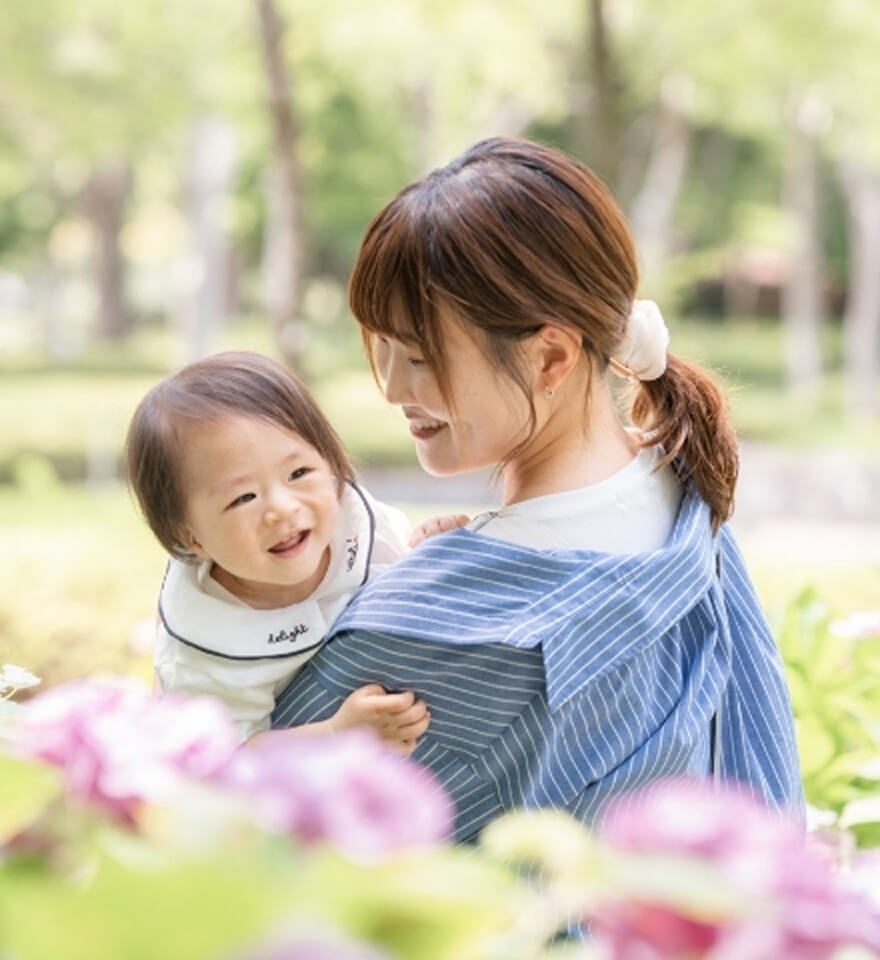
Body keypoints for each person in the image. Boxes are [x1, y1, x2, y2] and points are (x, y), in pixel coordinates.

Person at [271, 136, 803, 841]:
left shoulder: (435, 629)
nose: (395, 388)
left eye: (421, 355)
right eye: (382, 348)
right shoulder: (683, 502)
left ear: (551, 355)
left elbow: (250, 833)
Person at [125, 350, 442, 750]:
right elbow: (226, 759)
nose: (282, 508)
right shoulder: (204, 652)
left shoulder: (354, 527)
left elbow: (410, 569)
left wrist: (434, 549)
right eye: (243, 498)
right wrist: (336, 734)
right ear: (193, 538)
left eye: (299, 473)